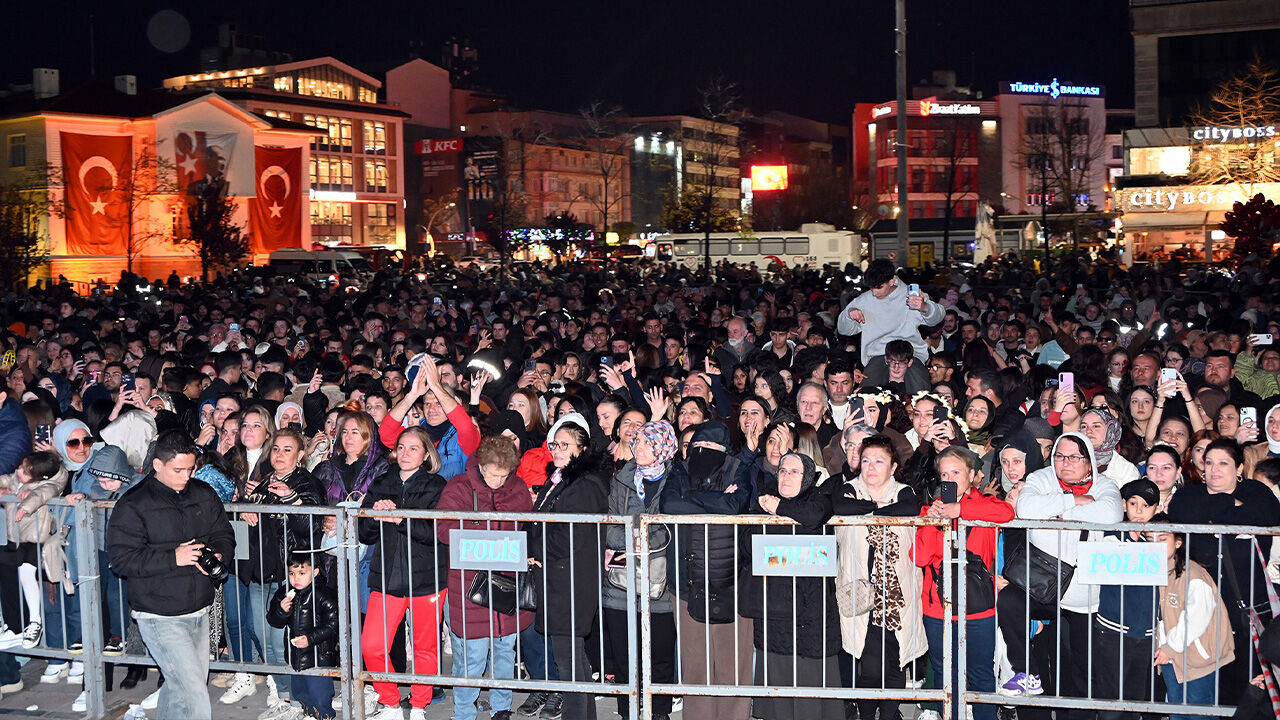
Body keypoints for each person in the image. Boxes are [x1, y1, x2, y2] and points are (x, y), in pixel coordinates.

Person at [106, 430, 234, 720]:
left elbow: (224, 534)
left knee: (182, 686)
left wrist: (218, 555)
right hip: (158, 613)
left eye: (191, 469)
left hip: (200, 607)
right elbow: (121, 559)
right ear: (157, 465)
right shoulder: (133, 504)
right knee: (194, 693)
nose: (186, 476)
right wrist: (173, 558)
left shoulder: (203, 493)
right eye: (178, 470)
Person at [997, 432, 1123, 703]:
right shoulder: (1040, 478)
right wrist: (1073, 501)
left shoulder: (1105, 485)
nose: (1065, 462)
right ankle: (1025, 671)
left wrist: (1059, 513)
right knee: (1009, 599)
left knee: (1082, 672)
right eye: (1059, 456)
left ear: (1089, 462)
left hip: (1084, 596)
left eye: (1074, 457)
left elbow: (1111, 513)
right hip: (1042, 586)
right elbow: (1027, 508)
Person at [1168, 438, 1280, 704]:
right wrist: (1233, 508)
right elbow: (1180, 511)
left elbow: (1267, 515)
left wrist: (1212, 515)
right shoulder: (1189, 495)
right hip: (1202, 610)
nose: (1214, 470)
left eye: (1223, 463)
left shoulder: (1257, 493)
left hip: (1248, 608)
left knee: (1251, 691)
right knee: (1209, 693)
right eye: (1209, 463)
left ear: (1239, 468)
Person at [436, 436, 535, 720]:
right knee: (471, 657)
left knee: (505, 650)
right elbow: (443, 530)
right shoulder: (459, 487)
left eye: (503, 475)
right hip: (469, 587)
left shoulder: (516, 489)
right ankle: (464, 712)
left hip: (507, 584)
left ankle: (502, 707)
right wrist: (482, 527)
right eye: (492, 473)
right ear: (480, 465)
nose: (496, 480)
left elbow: (528, 526)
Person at [660, 420, 752, 720]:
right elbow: (670, 504)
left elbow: (735, 506)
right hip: (686, 582)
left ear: (725, 450)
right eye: (698, 447)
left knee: (732, 663)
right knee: (694, 662)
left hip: (732, 581)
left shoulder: (739, 468)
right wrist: (717, 500)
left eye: (712, 448)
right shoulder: (680, 469)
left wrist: (693, 498)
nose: (703, 452)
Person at [740, 452, 840, 720]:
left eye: (795, 472)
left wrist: (779, 510)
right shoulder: (765, 500)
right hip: (775, 605)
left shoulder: (817, 498)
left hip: (811, 607)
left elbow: (815, 515)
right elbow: (748, 543)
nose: (786, 476)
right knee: (779, 672)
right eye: (783, 470)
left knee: (810, 674)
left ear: (807, 476)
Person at [915, 446, 1013, 720]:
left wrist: (960, 509)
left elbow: (1006, 513)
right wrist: (933, 523)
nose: (949, 478)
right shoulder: (929, 509)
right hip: (938, 607)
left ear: (972, 475)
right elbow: (921, 557)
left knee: (981, 671)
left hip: (978, 605)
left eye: (956, 472)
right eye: (944, 473)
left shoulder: (984, 505)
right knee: (947, 673)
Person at [359, 426, 449, 720]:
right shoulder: (382, 482)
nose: (405, 453)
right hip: (386, 576)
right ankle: (391, 703)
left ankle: (420, 705)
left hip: (427, 577)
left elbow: (437, 532)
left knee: (425, 649)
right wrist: (375, 514)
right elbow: (364, 532)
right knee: (371, 646)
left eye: (413, 448)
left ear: (426, 455)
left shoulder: (437, 485)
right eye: (401, 447)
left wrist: (400, 518)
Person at [529, 421, 608, 720]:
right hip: (559, 577)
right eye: (554, 445)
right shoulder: (560, 479)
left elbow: (569, 536)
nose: (557, 450)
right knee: (574, 661)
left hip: (571, 581)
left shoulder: (585, 484)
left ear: (583, 449)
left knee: (569, 661)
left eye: (565, 445)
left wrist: (536, 552)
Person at [602, 420, 678, 720]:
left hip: (659, 582)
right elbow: (610, 526)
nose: (639, 447)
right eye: (637, 442)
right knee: (624, 657)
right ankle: (627, 712)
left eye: (647, 443)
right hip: (618, 583)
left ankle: (660, 712)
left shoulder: (675, 480)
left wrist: (641, 536)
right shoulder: (622, 477)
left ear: (662, 447)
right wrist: (639, 537)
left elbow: (667, 528)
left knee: (660, 656)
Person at [1090, 478, 1160, 719]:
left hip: (1146, 632)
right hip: (1113, 628)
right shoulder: (1112, 534)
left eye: (1147, 506)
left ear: (1157, 509)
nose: (1139, 511)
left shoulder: (1160, 539)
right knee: (1111, 701)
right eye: (1133, 503)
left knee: (1135, 700)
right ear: (1123, 504)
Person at [1151, 518, 1235, 720]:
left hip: (1197, 660)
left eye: (1162, 539)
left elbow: (1196, 618)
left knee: (1199, 711)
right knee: (1177, 710)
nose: (1155, 544)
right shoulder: (1157, 571)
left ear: (1178, 542)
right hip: (1170, 657)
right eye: (1150, 539)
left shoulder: (1193, 574)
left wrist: (1169, 648)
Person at [838, 259, 943, 389]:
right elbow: (843, 330)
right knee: (866, 394)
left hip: (911, 353)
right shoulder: (864, 300)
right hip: (878, 354)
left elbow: (938, 317)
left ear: (891, 282)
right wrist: (849, 315)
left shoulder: (910, 295)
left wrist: (925, 306)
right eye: (871, 288)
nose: (874, 293)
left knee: (921, 394)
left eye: (879, 287)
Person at [265, 553, 339, 720]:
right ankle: (310, 713)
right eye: (292, 573)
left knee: (319, 693)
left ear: (315, 572)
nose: (296, 578)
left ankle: (324, 715)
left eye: (302, 573)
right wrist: (281, 611)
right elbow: (273, 621)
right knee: (301, 690)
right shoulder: (285, 593)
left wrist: (311, 638)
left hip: (319, 656)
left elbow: (334, 624)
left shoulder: (323, 594)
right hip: (297, 655)